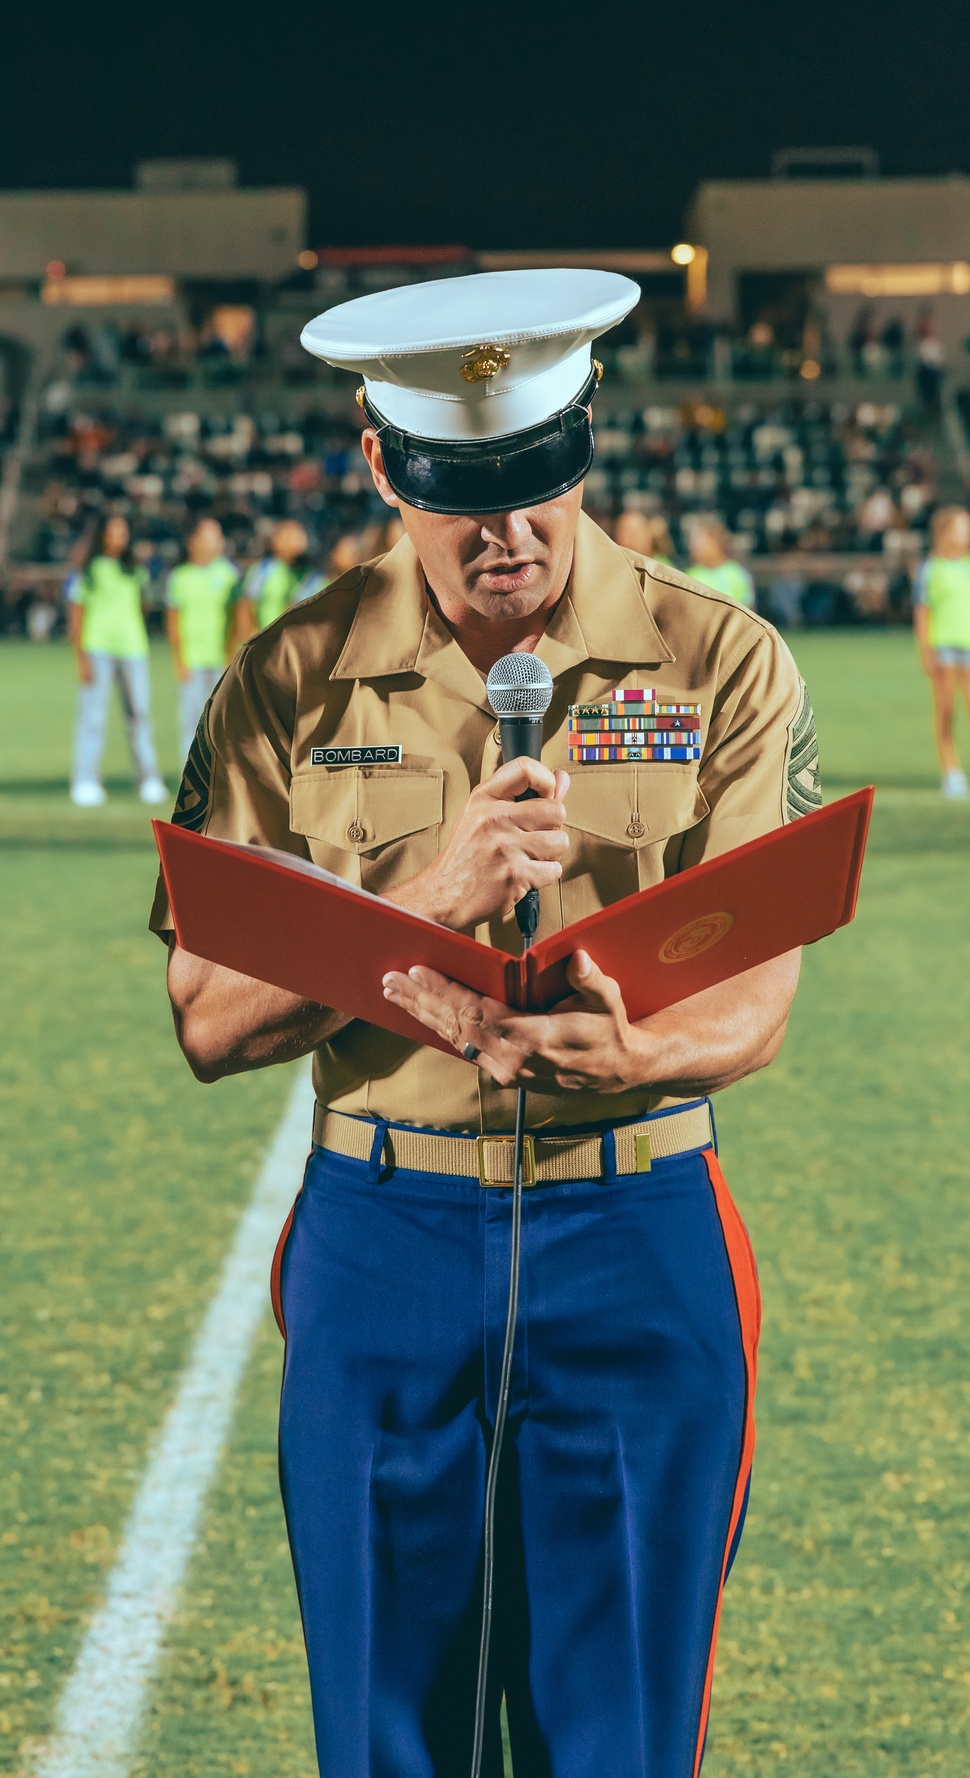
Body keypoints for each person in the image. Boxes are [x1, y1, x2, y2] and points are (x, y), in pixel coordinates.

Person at [151, 268, 820, 1778]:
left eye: (540, 479)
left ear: (585, 443)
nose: (511, 530)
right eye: (466, 490)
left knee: (626, 1741)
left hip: (637, 1227)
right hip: (383, 1235)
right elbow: (204, 1013)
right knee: (389, 1734)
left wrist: (634, 1050)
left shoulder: (722, 660)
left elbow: (760, 985)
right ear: (384, 463)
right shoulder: (281, 681)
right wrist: (431, 892)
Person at [66, 513, 167, 807]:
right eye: (113, 532)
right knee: (92, 716)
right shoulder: (88, 570)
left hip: (133, 648)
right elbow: (76, 613)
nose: (118, 538)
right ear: (102, 535)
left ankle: (148, 779)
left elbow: (145, 605)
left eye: (123, 532)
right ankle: (85, 780)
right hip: (97, 647)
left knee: (139, 714)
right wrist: (80, 657)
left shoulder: (134, 570)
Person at [913, 506, 970, 798]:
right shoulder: (930, 568)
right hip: (944, 649)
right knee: (947, 711)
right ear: (944, 532)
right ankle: (951, 772)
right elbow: (923, 611)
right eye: (962, 527)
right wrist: (925, 650)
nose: (968, 533)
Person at [164, 517, 240, 768]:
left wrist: (232, 655)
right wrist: (179, 660)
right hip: (193, 661)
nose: (216, 542)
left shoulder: (229, 575)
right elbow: (173, 621)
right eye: (209, 536)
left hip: (221, 661)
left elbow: (236, 619)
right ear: (192, 541)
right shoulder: (180, 577)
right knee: (191, 723)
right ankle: (191, 778)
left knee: (225, 722)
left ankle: (222, 775)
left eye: (217, 536)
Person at [234, 519, 324, 639]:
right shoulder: (262, 570)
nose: (296, 540)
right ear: (275, 541)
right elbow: (246, 604)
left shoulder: (312, 577)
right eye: (288, 536)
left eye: (299, 535)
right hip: (264, 644)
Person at [687, 515, 756, 607]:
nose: (694, 548)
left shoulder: (737, 574)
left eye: (702, 544)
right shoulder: (691, 574)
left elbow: (749, 610)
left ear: (717, 543)